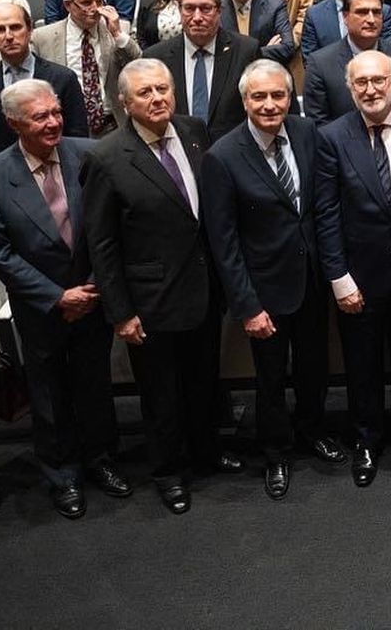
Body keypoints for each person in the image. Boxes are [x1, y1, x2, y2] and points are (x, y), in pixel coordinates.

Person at [82, 59, 241, 515]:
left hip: (203, 288)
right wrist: (120, 312)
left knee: (203, 381)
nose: (157, 99)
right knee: (160, 394)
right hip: (149, 301)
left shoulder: (193, 131)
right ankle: (169, 472)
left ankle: (206, 452)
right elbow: (103, 244)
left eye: (163, 89)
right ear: (125, 103)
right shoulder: (107, 157)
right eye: (145, 93)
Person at [0, 79, 129, 520]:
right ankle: (62, 473)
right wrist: (58, 296)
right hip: (41, 307)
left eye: (56, 113)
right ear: (13, 123)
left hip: (93, 297)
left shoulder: (88, 153)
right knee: (50, 393)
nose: (53, 122)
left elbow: (111, 228)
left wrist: (93, 286)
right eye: (40, 117)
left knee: (95, 384)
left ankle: (101, 459)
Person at [200, 60, 342, 502]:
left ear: (290, 97)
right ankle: (277, 452)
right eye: (259, 97)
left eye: (278, 95)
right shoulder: (222, 156)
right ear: (244, 101)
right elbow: (222, 242)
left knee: (314, 367)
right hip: (264, 289)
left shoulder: (306, 133)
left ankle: (312, 431)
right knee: (270, 378)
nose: (269, 105)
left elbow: (320, 207)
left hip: (311, 279)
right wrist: (247, 306)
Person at [315, 50, 391, 486]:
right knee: (361, 364)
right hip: (357, 276)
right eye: (361, 82)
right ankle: (365, 439)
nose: (370, 89)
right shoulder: (331, 136)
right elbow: (325, 212)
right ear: (349, 88)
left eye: (378, 81)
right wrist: (338, 277)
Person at [0, 3, 89, 164]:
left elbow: (77, 136)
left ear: (30, 29)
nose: (9, 36)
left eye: (16, 27)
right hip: (4, 176)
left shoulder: (63, 78)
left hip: (58, 169)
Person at [144, 0, 260, 140]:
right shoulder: (156, 57)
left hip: (233, 154)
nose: (197, 17)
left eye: (206, 9)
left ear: (219, 11)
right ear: (179, 10)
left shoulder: (246, 51)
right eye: (189, 8)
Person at [31, 0, 140, 138]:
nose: (95, 9)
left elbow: (138, 65)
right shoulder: (42, 38)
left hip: (111, 124)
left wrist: (117, 34)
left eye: (99, 1)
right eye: (87, 2)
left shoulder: (115, 29)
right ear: (68, 5)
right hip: (67, 126)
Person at [304, 0, 391, 122]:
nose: (371, 19)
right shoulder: (320, 64)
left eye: (376, 12)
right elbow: (318, 124)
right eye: (362, 12)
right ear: (345, 17)